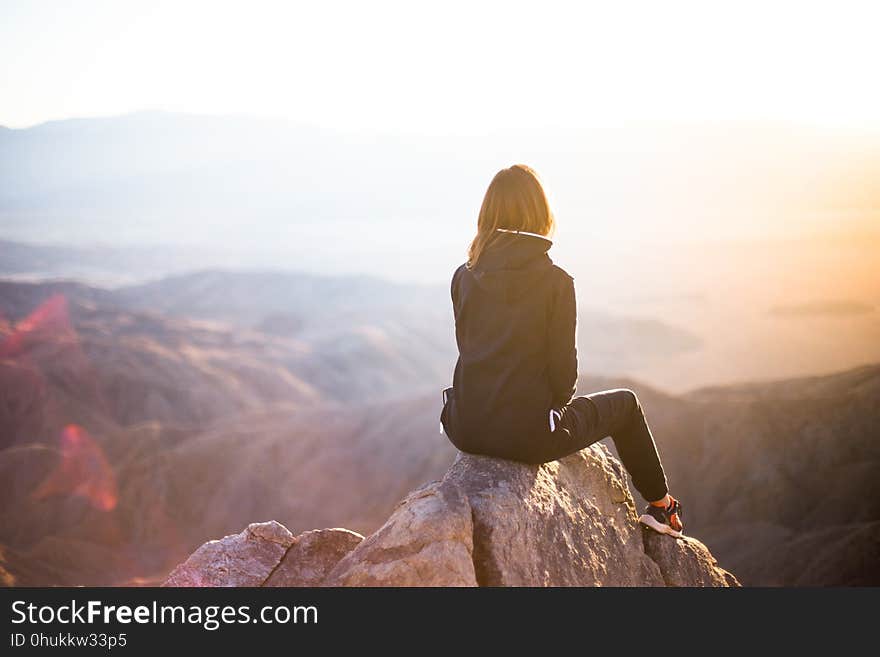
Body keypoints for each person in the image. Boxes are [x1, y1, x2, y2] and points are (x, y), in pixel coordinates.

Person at [440, 164, 683, 537]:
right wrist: (548, 411)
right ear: (540, 214)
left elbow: (470, 349)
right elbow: (564, 381)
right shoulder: (556, 283)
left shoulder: (463, 275)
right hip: (528, 437)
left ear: (487, 214)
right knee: (627, 405)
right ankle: (661, 507)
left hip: (464, 426)